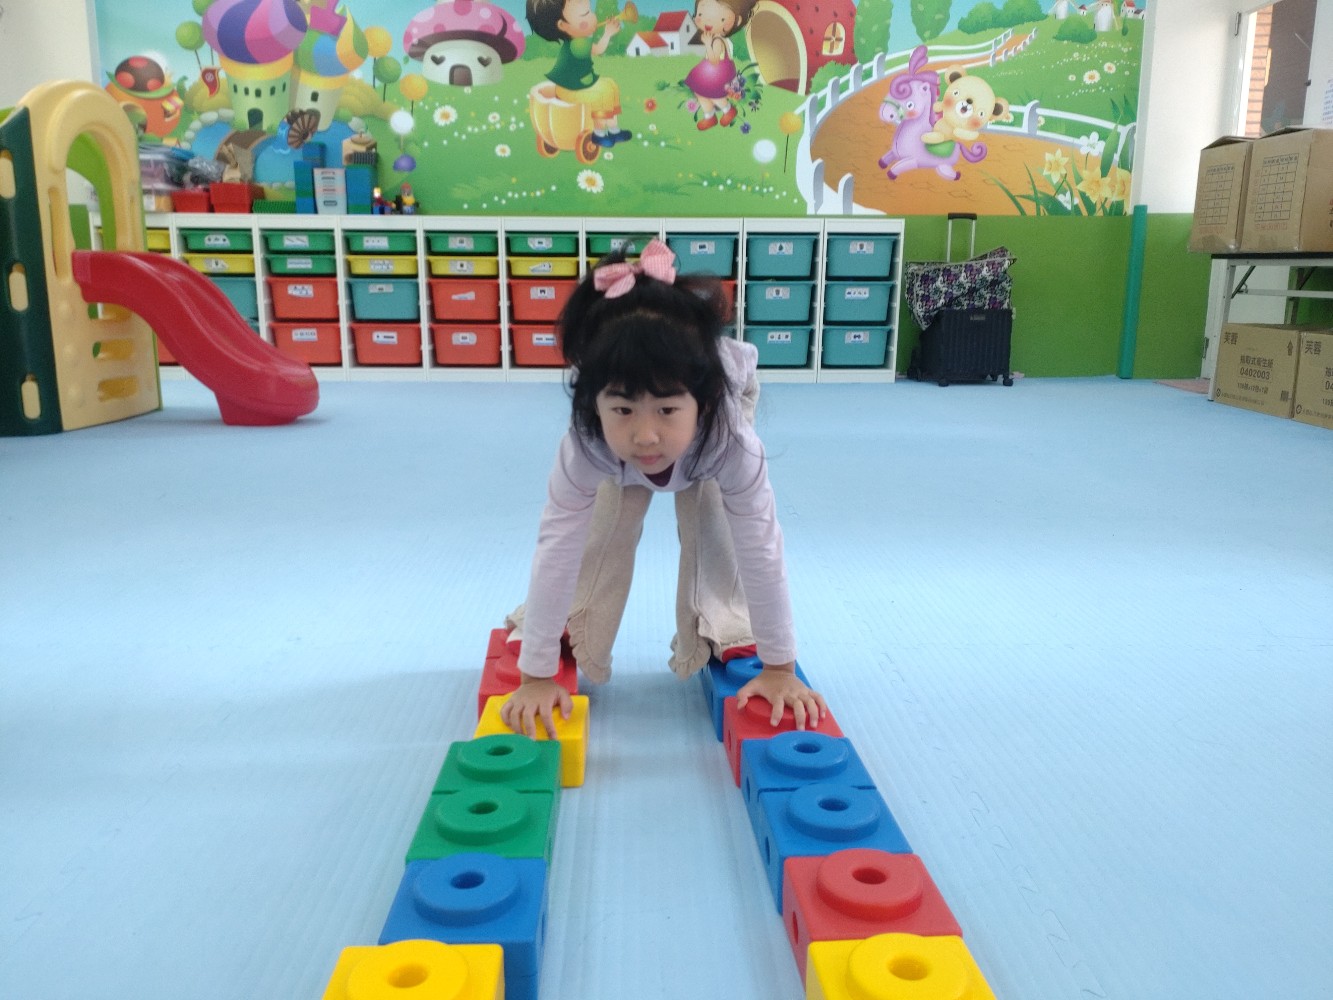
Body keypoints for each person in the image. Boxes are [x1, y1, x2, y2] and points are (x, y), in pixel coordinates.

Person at [499, 238, 827, 739]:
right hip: (628, 436)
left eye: (665, 410)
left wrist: (779, 666)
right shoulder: (587, 441)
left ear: (700, 402)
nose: (646, 435)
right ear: (593, 404)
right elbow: (557, 547)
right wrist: (536, 673)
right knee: (605, 528)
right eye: (623, 409)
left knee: (713, 528)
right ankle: (572, 623)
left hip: (713, 425)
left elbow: (760, 546)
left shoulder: (729, 439)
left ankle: (728, 625)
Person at [527, 0, 631, 147]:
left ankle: (614, 130)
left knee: (611, 85)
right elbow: (598, 50)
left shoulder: (576, 42)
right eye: (585, 14)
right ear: (563, 25)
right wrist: (607, 34)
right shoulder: (578, 44)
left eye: (590, 11)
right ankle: (599, 134)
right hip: (570, 90)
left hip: (577, 86)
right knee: (604, 92)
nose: (593, 18)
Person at [684, 0, 756, 130]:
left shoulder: (717, 41)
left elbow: (714, 60)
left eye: (720, 18)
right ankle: (709, 116)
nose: (707, 21)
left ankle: (728, 110)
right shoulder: (714, 38)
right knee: (700, 93)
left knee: (712, 94)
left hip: (719, 72)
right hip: (711, 72)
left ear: (735, 21)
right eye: (700, 14)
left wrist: (707, 44)